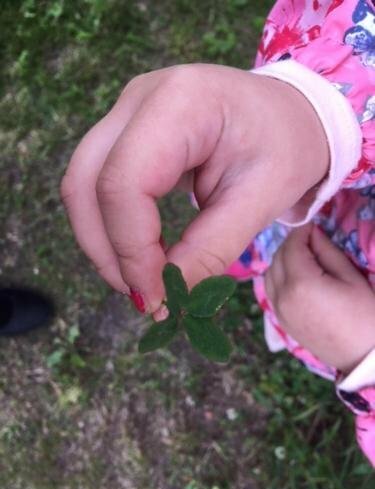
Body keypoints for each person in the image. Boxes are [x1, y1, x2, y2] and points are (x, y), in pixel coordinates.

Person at [61, 0, 375, 465]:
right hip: (326, 190)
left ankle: (266, 277)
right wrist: (322, 111)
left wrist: (364, 362)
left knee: (251, 250)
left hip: (337, 325)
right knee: (245, 228)